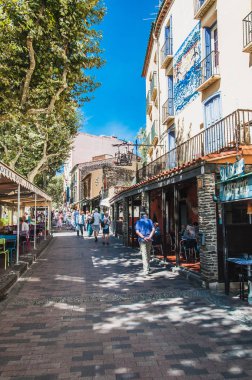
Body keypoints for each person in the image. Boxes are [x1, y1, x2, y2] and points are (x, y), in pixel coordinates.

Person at [135, 211, 155, 275]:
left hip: (142, 239)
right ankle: (148, 267)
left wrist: (143, 237)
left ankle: (146, 270)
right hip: (149, 239)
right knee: (148, 253)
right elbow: (153, 229)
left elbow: (137, 232)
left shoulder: (138, 222)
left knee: (144, 254)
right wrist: (150, 237)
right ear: (147, 215)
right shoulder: (150, 221)